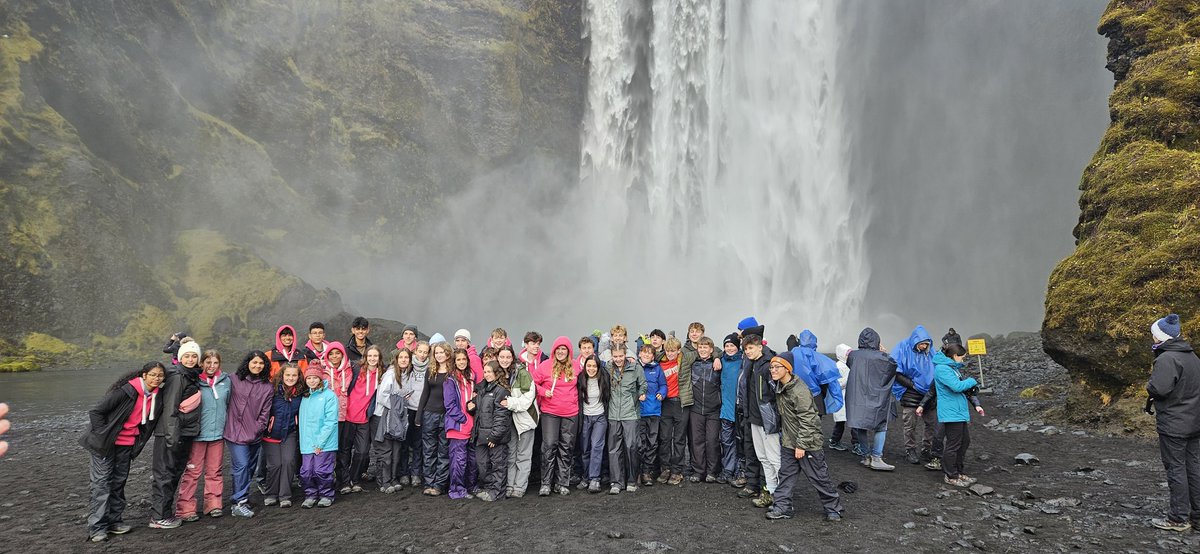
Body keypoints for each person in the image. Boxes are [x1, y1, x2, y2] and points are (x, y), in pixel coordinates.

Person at [81, 362, 165, 542]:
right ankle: (97, 528)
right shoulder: (126, 392)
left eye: (160, 375)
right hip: (105, 445)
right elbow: (96, 412)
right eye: (152, 375)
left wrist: (136, 443)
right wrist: (103, 435)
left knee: (118, 483)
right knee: (101, 484)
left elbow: (145, 426)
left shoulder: (156, 398)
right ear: (144, 375)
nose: (156, 378)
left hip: (126, 446)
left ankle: (114, 522)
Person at [768, 353, 844, 521]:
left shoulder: (799, 391)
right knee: (786, 475)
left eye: (777, 367)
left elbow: (809, 419)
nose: (773, 370)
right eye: (771, 367)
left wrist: (801, 445)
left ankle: (833, 509)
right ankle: (783, 507)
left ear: (787, 369)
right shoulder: (781, 386)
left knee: (819, 477)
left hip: (808, 443)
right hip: (789, 441)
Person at [1146, 314, 1200, 532]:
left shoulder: (1167, 359)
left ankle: (1178, 518)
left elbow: (1159, 388)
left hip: (1175, 425)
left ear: (1161, 336)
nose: (1151, 336)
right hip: (1195, 423)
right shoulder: (1192, 357)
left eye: (1153, 333)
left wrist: (1149, 386)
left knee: (1176, 468)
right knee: (1194, 468)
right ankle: (1197, 517)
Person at [149, 340, 203, 529]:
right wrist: (172, 439)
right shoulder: (178, 377)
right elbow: (170, 411)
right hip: (171, 435)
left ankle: (163, 513)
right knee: (165, 474)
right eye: (186, 356)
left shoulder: (190, 376)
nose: (190, 359)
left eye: (194, 356)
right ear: (180, 358)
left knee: (172, 474)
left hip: (183, 434)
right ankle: (159, 517)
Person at [175, 351, 230, 522]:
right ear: (202, 363)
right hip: (197, 435)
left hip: (218, 435)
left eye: (215, 362)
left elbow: (229, 404)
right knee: (192, 472)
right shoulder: (194, 380)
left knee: (214, 471)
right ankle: (185, 508)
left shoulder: (226, 381)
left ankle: (213, 504)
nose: (211, 366)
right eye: (208, 362)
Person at [224, 351, 274, 518]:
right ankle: (238, 502)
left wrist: (257, 429)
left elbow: (265, 413)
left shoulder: (267, 387)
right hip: (234, 433)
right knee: (242, 466)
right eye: (254, 362)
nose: (257, 366)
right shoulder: (233, 379)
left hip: (254, 434)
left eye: (261, 363)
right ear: (247, 363)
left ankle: (242, 498)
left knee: (249, 468)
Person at [845, 327, 898, 471]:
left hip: (858, 396)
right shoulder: (882, 357)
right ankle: (876, 457)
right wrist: (883, 352)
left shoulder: (853, 356)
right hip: (877, 395)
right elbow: (893, 366)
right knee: (881, 425)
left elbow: (850, 364)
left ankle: (866, 456)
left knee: (861, 425)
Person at [534, 336, 579, 496]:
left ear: (569, 351)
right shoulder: (545, 366)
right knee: (549, 446)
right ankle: (546, 483)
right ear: (554, 350)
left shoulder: (575, 366)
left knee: (566, 447)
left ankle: (562, 483)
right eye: (558, 349)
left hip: (571, 413)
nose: (561, 352)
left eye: (564, 349)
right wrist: (543, 392)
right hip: (550, 413)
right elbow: (533, 383)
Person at [933, 343, 982, 488]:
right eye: (962, 357)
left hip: (957, 412)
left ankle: (958, 472)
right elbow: (957, 386)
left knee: (964, 442)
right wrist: (972, 380)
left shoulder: (951, 368)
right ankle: (951, 475)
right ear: (955, 356)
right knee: (953, 444)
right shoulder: (942, 369)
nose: (963, 360)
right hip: (950, 412)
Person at [739, 334, 780, 509]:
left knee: (774, 458)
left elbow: (777, 392)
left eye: (751, 348)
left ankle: (781, 496)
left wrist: (776, 416)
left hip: (768, 418)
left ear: (759, 347)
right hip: (754, 417)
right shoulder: (753, 364)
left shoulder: (769, 365)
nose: (748, 351)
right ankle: (770, 492)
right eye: (746, 349)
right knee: (763, 457)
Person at [892, 326, 937, 465]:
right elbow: (895, 371)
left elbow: (937, 368)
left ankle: (926, 449)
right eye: (922, 344)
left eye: (926, 344)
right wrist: (911, 386)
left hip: (928, 393)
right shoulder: (902, 348)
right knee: (910, 424)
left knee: (932, 423)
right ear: (915, 341)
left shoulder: (930, 352)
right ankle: (910, 450)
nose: (924, 346)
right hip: (910, 391)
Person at [607, 345, 647, 494]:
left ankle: (631, 480)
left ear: (625, 355)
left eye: (620, 356)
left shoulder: (635, 368)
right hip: (613, 414)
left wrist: (641, 393)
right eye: (615, 356)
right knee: (614, 450)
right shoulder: (607, 368)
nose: (618, 359)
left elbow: (643, 384)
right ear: (611, 356)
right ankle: (616, 482)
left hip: (630, 413)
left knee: (632, 447)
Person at [342, 344, 382, 494]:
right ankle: (344, 481)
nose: (372, 359)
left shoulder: (381, 373)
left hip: (364, 419)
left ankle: (355, 478)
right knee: (345, 451)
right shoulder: (356, 369)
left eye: (375, 356)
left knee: (363, 452)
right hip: (347, 417)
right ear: (365, 357)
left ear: (379, 358)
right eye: (369, 356)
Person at [263, 363, 304, 508]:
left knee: (288, 462)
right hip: (271, 433)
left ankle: (285, 495)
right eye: (288, 375)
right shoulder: (272, 391)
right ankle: (271, 493)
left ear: (298, 377)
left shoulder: (300, 393)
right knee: (275, 465)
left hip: (290, 433)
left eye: (294, 375)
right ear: (282, 375)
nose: (290, 378)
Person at [499, 344, 538, 497]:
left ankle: (519, 487)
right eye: (502, 357)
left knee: (523, 455)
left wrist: (510, 403)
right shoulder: (499, 374)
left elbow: (527, 400)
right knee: (510, 454)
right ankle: (509, 485)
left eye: (508, 357)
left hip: (525, 420)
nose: (505, 360)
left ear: (513, 357)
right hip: (509, 421)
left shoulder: (523, 374)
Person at [471, 361, 512, 501]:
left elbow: (502, 417)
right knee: (482, 464)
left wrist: (495, 437)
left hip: (495, 438)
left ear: (496, 372)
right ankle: (488, 489)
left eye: (490, 371)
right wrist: (469, 405)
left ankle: (497, 493)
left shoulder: (501, 391)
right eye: (485, 371)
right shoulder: (483, 389)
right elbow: (477, 407)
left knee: (498, 465)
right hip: (481, 435)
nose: (487, 374)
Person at [416, 340, 453, 495]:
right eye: (436, 352)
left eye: (441, 352)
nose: (439, 355)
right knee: (429, 450)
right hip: (429, 413)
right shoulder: (431, 370)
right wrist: (419, 414)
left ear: (447, 353)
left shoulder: (452, 371)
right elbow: (425, 393)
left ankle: (439, 484)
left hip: (446, 415)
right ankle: (429, 482)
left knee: (443, 451)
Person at [299, 365, 338, 508]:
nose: (312, 381)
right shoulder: (305, 396)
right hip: (307, 442)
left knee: (321, 470)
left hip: (325, 442)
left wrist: (320, 443)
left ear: (320, 378)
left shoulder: (329, 396)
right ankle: (310, 494)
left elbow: (331, 421)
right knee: (306, 471)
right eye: (308, 378)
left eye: (315, 377)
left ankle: (326, 494)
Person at [373, 348, 410, 493]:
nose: (403, 360)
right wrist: (398, 405)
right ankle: (384, 481)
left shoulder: (405, 375)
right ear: (396, 359)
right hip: (384, 416)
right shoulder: (390, 374)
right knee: (386, 450)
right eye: (401, 357)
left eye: (406, 357)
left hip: (396, 417)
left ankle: (393, 478)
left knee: (396, 449)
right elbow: (382, 396)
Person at [445, 348, 478, 499]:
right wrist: (463, 419)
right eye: (458, 360)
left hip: (472, 425)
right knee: (458, 460)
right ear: (454, 361)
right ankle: (456, 489)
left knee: (472, 460)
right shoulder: (450, 379)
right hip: (458, 425)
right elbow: (449, 405)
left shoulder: (472, 376)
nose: (461, 362)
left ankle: (470, 487)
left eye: (464, 359)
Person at [689, 336, 722, 483]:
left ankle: (713, 471)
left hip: (713, 409)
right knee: (697, 441)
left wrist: (716, 357)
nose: (702, 350)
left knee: (712, 440)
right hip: (696, 409)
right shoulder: (692, 364)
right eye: (700, 347)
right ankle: (698, 471)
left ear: (711, 349)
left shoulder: (718, 363)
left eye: (705, 347)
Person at [576, 355, 610, 493]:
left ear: (598, 367)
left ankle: (595, 479)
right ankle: (586, 477)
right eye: (589, 366)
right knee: (585, 448)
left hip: (600, 417)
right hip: (585, 417)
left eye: (594, 366)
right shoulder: (580, 378)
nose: (591, 369)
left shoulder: (604, 378)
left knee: (597, 445)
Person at [657, 337, 688, 485]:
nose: (670, 354)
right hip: (665, 403)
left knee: (679, 439)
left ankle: (677, 471)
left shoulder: (684, 361)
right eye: (668, 351)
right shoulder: (660, 363)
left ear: (678, 350)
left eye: (673, 351)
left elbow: (703, 350)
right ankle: (665, 468)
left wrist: (716, 358)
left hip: (680, 403)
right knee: (665, 438)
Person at [398, 342, 430, 486]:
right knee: (404, 442)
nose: (422, 355)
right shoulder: (408, 365)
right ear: (415, 351)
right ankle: (404, 472)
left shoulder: (431, 368)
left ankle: (416, 473)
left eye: (425, 352)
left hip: (421, 409)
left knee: (418, 443)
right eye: (420, 351)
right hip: (407, 409)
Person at [637, 344, 666, 487]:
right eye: (644, 353)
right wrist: (637, 394)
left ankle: (647, 472)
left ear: (653, 356)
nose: (647, 355)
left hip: (654, 411)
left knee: (652, 443)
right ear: (639, 354)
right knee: (640, 443)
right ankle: (638, 471)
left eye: (650, 353)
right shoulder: (635, 368)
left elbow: (663, 385)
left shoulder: (657, 368)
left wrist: (662, 393)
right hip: (639, 413)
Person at [718, 333, 744, 485]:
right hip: (726, 409)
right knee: (727, 441)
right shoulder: (721, 361)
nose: (729, 348)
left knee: (741, 443)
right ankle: (728, 470)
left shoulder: (743, 361)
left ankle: (739, 470)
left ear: (738, 346)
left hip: (740, 409)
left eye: (732, 345)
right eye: (727, 346)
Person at [827, 344, 854, 452]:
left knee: (847, 421)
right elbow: (836, 383)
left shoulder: (847, 365)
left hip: (847, 396)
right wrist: (848, 381)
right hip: (841, 396)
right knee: (841, 422)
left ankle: (837, 440)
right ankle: (834, 441)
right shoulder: (839, 366)